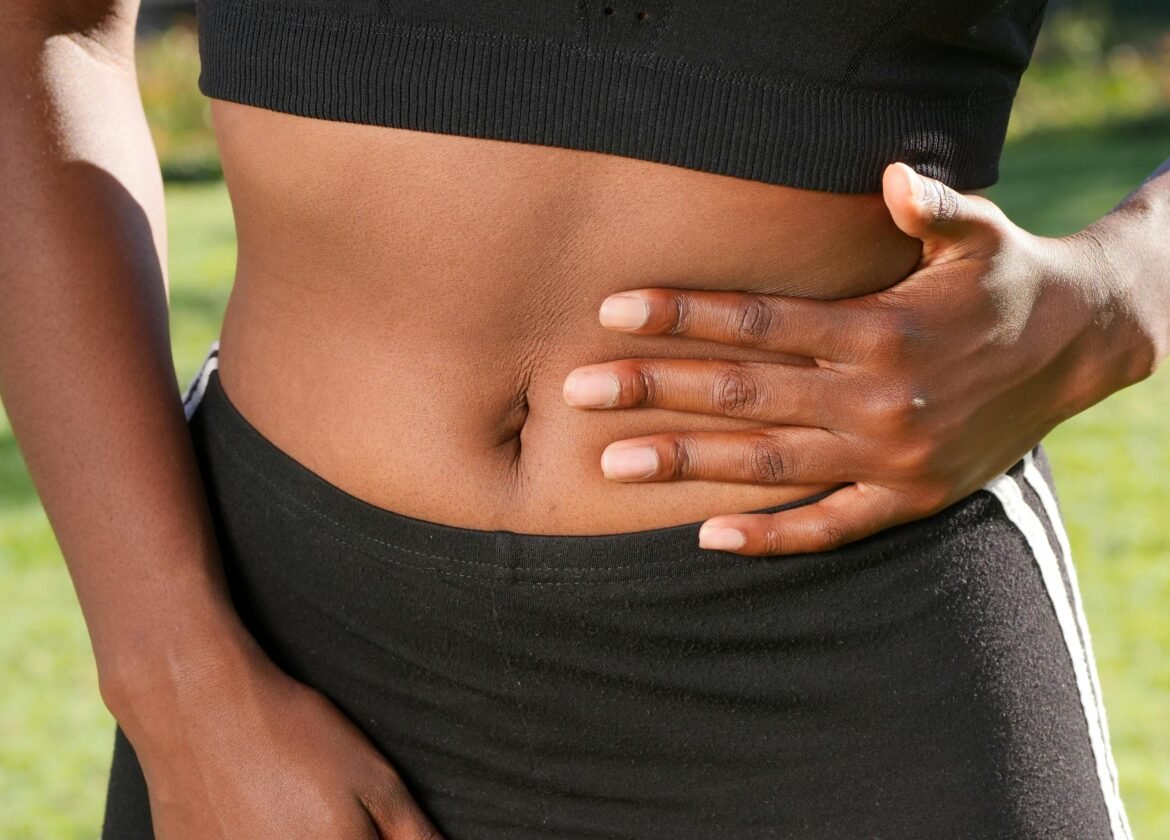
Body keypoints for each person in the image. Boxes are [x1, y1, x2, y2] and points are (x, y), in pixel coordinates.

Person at [2, 0, 1165, 837]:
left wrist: (1114, 298)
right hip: (280, 648)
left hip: (847, 660)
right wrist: (178, 684)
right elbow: (38, 33)